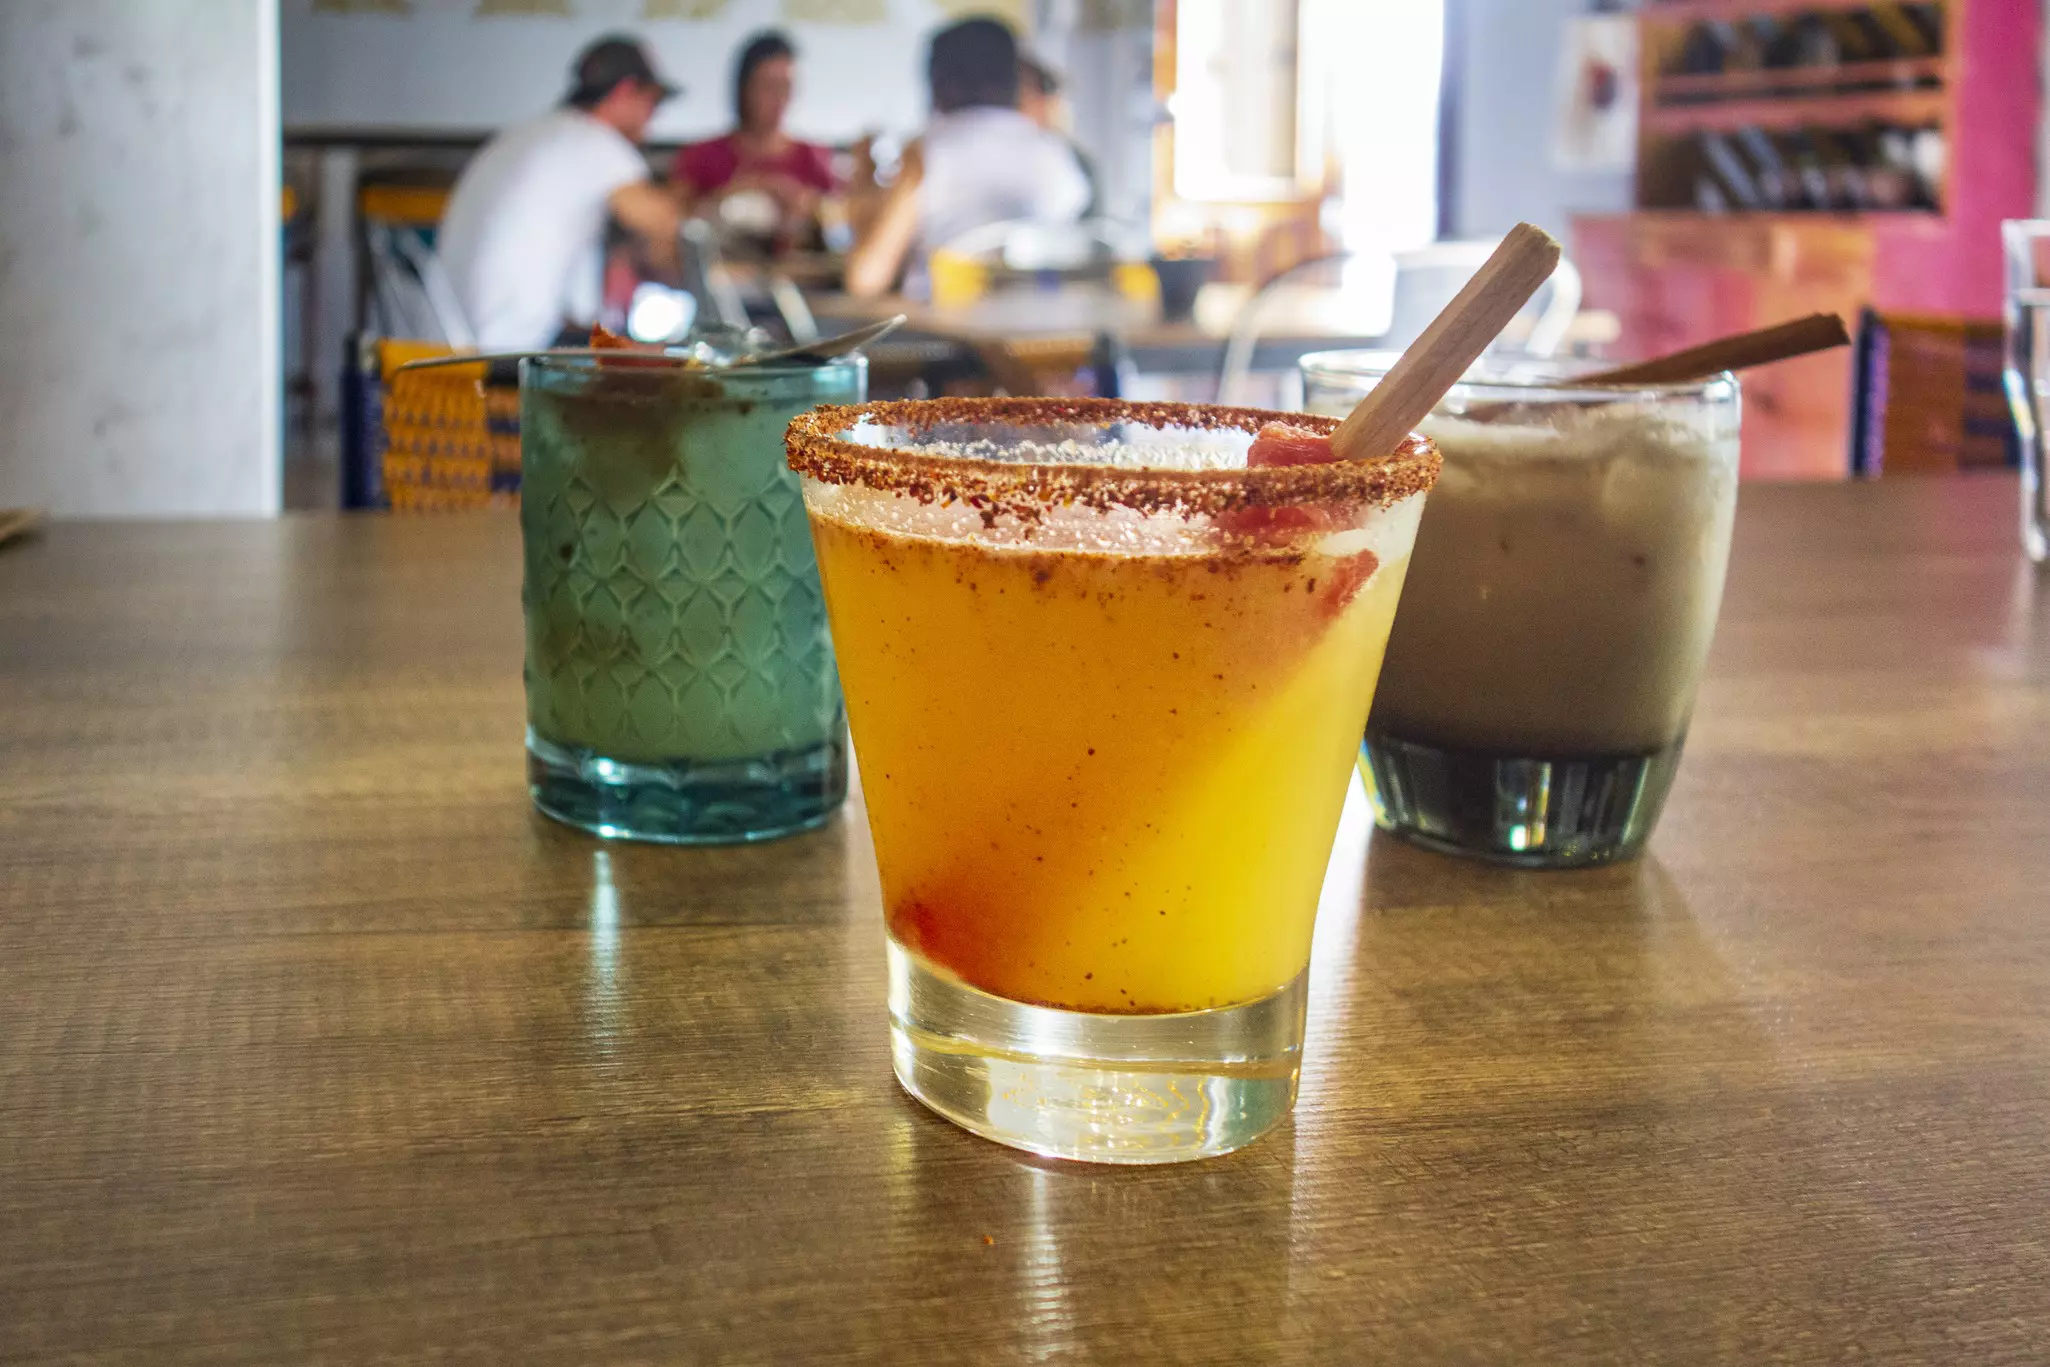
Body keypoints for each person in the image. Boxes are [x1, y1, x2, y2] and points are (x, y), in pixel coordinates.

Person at [438, 35, 686, 349]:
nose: (654, 117)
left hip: (454, 337)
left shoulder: (534, 134)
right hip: (509, 346)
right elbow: (668, 226)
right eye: (652, 102)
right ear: (624, 91)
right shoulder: (594, 141)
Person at [843, 18, 1090, 299]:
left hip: (944, 321)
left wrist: (863, 181)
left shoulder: (927, 151)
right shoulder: (1055, 152)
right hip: (1044, 320)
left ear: (937, 79)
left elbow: (867, 277)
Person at [672, 30, 836, 249]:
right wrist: (735, 193)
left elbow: (838, 222)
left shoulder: (814, 157)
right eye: (768, 86)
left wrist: (808, 206)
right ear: (744, 89)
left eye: (786, 87)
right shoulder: (701, 156)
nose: (779, 98)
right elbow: (671, 219)